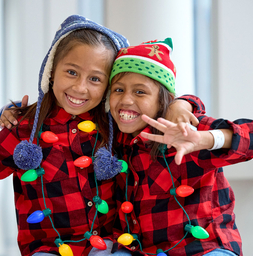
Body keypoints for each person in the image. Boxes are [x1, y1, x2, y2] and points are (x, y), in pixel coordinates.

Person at [0, 15, 205, 256]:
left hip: (109, 247)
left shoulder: (115, 126)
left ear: (107, 86)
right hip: (48, 249)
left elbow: (157, 103)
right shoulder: (24, 131)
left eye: (95, 79)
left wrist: (182, 104)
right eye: (72, 72)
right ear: (51, 71)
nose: (80, 88)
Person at [105, 38, 253, 256]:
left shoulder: (187, 127)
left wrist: (206, 139)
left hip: (205, 248)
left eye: (140, 92)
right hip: (143, 250)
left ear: (164, 100)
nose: (126, 100)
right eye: (118, 89)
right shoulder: (114, 136)